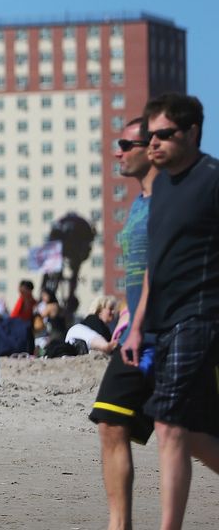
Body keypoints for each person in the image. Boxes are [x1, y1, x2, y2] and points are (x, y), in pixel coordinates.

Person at [121, 92, 219, 530]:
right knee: (185, 428)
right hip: (160, 322)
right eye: (151, 135)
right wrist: (137, 326)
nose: (154, 143)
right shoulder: (159, 189)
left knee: (167, 421)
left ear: (193, 132)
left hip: (201, 317)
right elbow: (154, 267)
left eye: (165, 134)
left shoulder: (212, 179)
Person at [89, 118, 157, 530]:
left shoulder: (175, 197)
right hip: (140, 331)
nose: (118, 151)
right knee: (111, 419)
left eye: (125, 143)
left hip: (173, 327)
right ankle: (120, 525)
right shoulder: (138, 203)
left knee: (193, 437)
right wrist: (130, 316)